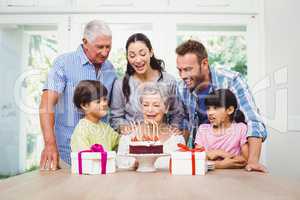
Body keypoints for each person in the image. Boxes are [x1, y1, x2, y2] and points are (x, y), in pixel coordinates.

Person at [176, 40, 268, 172]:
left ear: (204, 64)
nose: (183, 76)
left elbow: (253, 120)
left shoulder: (232, 80)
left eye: (188, 69)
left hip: (235, 163)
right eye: (179, 70)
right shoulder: (182, 88)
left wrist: (252, 161)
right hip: (204, 163)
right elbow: (183, 125)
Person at [39, 20, 117, 170]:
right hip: (68, 156)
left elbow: (112, 108)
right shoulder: (64, 63)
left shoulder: (109, 68)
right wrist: (49, 144)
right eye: (100, 47)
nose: (105, 52)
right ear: (85, 42)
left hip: (101, 159)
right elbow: (46, 104)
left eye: (108, 46)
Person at [110, 33, 184, 131]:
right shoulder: (120, 84)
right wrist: (127, 129)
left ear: (151, 52)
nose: (138, 60)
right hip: (133, 140)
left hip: (161, 140)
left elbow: (177, 114)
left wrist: (172, 131)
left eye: (142, 54)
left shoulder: (168, 81)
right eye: (132, 55)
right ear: (127, 57)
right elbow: (116, 118)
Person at [117, 83, 185, 169]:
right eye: (145, 105)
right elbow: (120, 165)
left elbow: (181, 168)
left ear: (167, 108)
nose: (150, 110)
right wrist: (133, 165)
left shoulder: (176, 139)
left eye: (156, 105)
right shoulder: (128, 136)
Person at [195, 89, 248, 169]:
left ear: (230, 110)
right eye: (208, 108)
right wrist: (220, 161)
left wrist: (215, 157)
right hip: (207, 178)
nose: (210, 112)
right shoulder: (202, 130)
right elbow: (197, 159)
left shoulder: (241, 128)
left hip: (235, 178)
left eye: (215, 108)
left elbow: (245, 160)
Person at [71, 80, 119, 152]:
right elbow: (84, 158)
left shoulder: (106, 128)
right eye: (98, 101)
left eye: (105, 99)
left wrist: (129, 135)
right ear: (85, 105)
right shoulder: (82, 130)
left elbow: (119, 142)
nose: (104, 104)